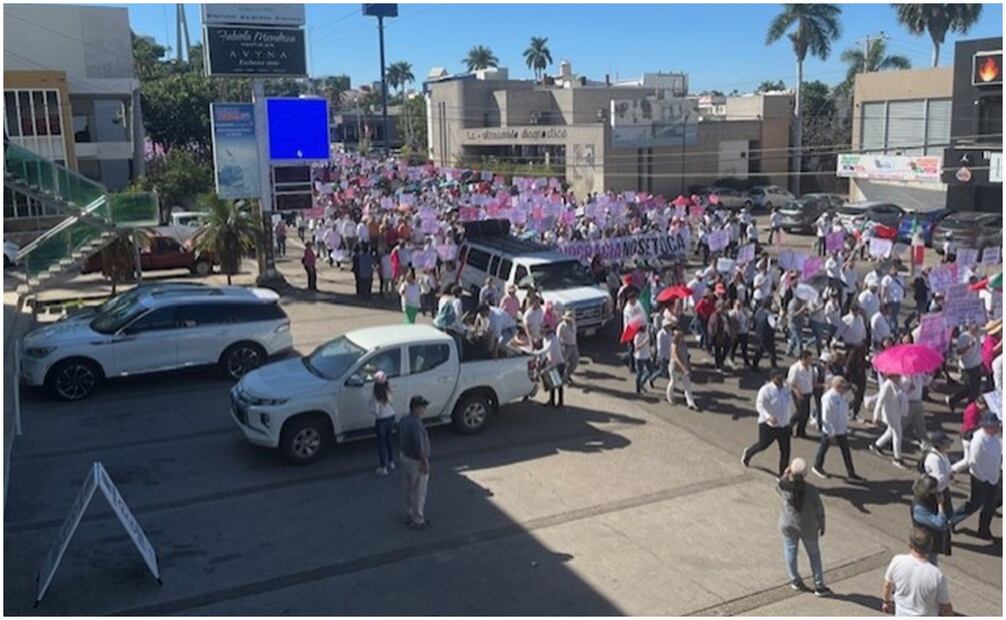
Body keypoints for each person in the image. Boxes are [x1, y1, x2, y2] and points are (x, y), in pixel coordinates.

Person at [776, 458, 831, 596]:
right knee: (814, 555)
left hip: (788, 524)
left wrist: (785, 474)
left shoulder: (783, 486)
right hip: (808, 526)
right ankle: (819, 585)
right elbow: (819, 509)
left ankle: (795, 580)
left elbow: (779, 484)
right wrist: (822, 523)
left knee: (790, 552)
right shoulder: (811, 490)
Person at [881, 527, 953, 616]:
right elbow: (945, 606)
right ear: (929, 547)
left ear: (910, 544)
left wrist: (886, 602)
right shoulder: (936, 575)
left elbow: (887, 585)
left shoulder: (897, 561)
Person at [952, 414, 1002, 540]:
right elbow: (973, 462)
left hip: (993, 477)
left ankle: (984, 530)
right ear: (987, 426)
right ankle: (952, 520)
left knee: (989, 506)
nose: (998, 428)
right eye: (995, 425)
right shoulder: (978, 440)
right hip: (981, 479)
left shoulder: (995, 437)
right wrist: (982, 478)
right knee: (974, 504)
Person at [742, 371, 793, 476]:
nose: (781, 381)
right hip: (768, 425)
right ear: (773, 378)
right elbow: (759, 406)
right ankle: (748, 453)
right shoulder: (766, 390)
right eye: (778, 378)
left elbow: (788, 403)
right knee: (763, 445)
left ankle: (782, 474)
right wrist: (768, 417)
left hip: (784, 425)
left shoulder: (786, 389)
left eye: (782, 378)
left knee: (785, 451)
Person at [812, 376, 862, 480]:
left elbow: (845, 409)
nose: (845, 389)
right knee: (823, 448)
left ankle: (851, 473)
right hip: (831, 430)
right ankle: (817, 467)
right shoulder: (829, 397)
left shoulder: (842, 396)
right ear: (837, 386)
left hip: (841, 429)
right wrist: (831, 433)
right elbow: (826, 417)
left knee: (846, 451)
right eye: (844, 387)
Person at [399, 395, 432, 529]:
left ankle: (409, 513)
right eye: (423, 407)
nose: (424, 409)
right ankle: (418, 519)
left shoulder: (404, 419)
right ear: (417, 408)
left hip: (404, 456)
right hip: (416, 461)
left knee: (408, 489)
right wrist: (424, 462)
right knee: (419, 491)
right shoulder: (416, 424)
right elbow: (419, 446)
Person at [870, 372, 909, 469]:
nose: (899, 377)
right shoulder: (887, 386)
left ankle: (876, 445)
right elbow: (879, 402)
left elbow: (902, 392)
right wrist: (875, 416)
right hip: (890, 414)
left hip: (897, 412)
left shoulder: (898, 383)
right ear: (891, 376)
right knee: (898, 434)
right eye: (897, 375)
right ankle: (897, 458)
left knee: (890, 431)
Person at [946, 323, 984, 413]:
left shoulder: (979, 334)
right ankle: (969, 411)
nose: (976, 327)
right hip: (967, 367)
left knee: (971, 389)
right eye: (974, 325)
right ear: (969, 326)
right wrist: (969, 345)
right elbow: (959, 352)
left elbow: (990, 329)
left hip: (977, 365)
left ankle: (953, 400)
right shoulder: (963, 337)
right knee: (972, 390)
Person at [370, 372, 397, 476]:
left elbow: (375, 410)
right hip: (391, 417)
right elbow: (392, 402)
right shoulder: (388, 391)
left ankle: (383, 467)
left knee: (381, 444)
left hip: (381, 420)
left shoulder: (376, 395)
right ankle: (391, 462)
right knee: (389, 440)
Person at [667, 327, 699, 410]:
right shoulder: (674, 344)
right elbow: (675, 357)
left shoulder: (683, 344)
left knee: (687, 385)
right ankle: (670, 398)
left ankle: (691, 403)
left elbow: (686, 355)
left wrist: (688, 366)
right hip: (675, 368)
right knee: (673, 382)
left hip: (685, 367)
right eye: (680, 336)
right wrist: (683, 367)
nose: (682, 337)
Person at [534, 324, 565, 408]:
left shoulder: (554, 339)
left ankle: (560, 402)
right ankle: (552, 401)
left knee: (558, 384)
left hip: (559, 364)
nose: (541, 333)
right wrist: (542, 362)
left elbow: (546, 349)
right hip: (551, 363)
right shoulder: (545, 339)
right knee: (552, 383)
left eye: (543, 331)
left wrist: (534, 353)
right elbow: (545, 353)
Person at [787, 350, 815, 439]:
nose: (811, 361)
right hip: (799, 393)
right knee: (800, 412)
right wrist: (797, 392)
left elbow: (810, 380)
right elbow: (791, 382)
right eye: (809, 359)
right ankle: (788, 426)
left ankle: (801, 431)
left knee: (806, 414)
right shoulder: (795, 368)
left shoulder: (810, 367)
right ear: (803, 358)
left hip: (807, 393)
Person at [751, 300, 779, 370]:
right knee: (772, 352)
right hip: (767, 336)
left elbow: (754, 322)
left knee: (759, 351)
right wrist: (780, 318)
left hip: (758, 335)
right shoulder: (769, 315)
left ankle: (754, 366)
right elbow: (774, 325)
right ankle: (774, 367)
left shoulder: (758, 312)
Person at [557, 310, 579, 384]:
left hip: (573, 345)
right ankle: (563, 379)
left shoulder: (574, 324)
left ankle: (567, 375)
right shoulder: (561, 326)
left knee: (575, 362)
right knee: (564, 364)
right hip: (565, 346)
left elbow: (574, 335)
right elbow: (558, 338)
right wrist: (559, 348)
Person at [729, 299, 752, 368]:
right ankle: (731, 359)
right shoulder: (732, 313)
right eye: (737, 305)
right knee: (733, 347)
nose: (739, 306)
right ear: (734, 305)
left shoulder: (744, 311)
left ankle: (746, 362)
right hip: (736, 333)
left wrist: (748, 327)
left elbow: (748, 318)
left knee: (744, 348)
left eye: (740, 305)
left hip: (744, 332)